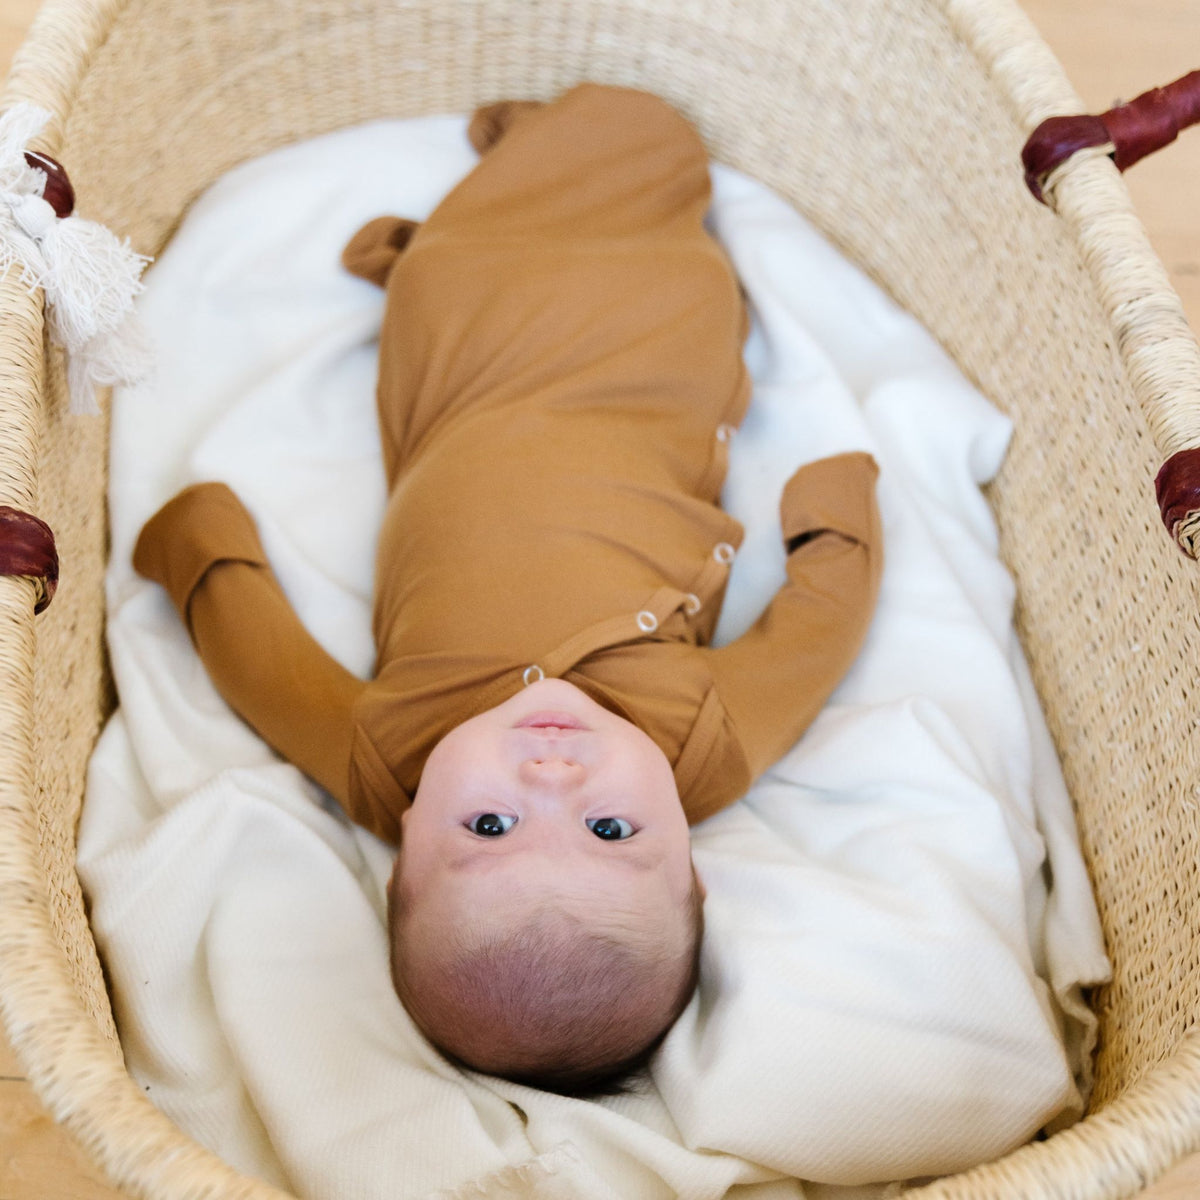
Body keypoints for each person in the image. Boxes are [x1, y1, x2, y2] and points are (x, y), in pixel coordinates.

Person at [133, 83, 883, 1096]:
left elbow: (257, 660)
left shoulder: (380, 760)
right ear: (688, 864)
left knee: (450, 274)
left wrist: (199, 541)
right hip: (644, 376)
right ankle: (521, 182)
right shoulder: (708, 743)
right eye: (611, 832)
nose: (550, 782)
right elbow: (817, 637)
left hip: (456, 389)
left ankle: (451, 229)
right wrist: (835, 514)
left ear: (403, 863)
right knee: (651, 147)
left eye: (487, 829)